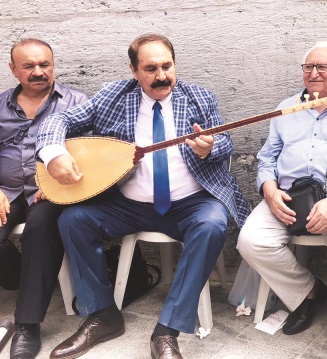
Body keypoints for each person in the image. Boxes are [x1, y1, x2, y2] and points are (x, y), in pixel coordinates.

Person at [36, 33, 250, 359]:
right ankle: (102, 315)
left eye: (167, 66)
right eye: (150, 69)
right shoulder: (113, 96)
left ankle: (167, 331)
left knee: (211, 225)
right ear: (134, 71)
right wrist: (53, 154)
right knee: (74, 220)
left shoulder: (200, 98)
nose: (161, 76)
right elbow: (59, 118)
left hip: (192, 202)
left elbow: (224, 142)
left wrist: (210, 148)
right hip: (129, 204)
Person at [236, 41, 327, 359]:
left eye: (322, 67)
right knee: (251, 240)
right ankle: (309, 292)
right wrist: (269, 191)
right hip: (289, 196)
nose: (313, 73)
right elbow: (267, 157)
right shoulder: (285, 108)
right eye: (308, 67)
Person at [0, 38, 88, 359]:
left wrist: (55, 182)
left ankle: (27, 323)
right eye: (29, 66)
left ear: (53, 65)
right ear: (13, 70)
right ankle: (12, 270)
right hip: (6, 192)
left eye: (44, 65)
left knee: (40, 228)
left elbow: (93, 151)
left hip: (50, 193)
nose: (38, 72)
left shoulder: (76, 102)